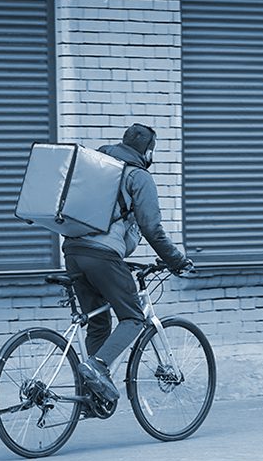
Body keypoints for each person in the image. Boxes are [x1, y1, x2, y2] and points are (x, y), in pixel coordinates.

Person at [62, 123, 193, 404]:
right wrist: (177, 261)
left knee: (98, 323)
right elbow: (152, 229)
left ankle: (91, 398)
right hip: (102, 256)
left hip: (72, 252)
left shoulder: (97, 167)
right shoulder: (139, 177)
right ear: (147, 152)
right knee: (133, 317)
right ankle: (97, 367)